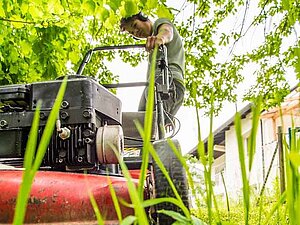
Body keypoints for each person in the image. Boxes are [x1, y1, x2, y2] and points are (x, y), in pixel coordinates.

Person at [120, 12, 185, 124]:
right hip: (154, 84)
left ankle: (160, 126)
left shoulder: (159, 24)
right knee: (138, 125)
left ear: (144, 18)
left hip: (168, 81)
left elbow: (167, 31)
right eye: (131, 33)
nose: (135, 32)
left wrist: (161, 38)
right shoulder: (152, 50)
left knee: (151, 123)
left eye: (135, 25)